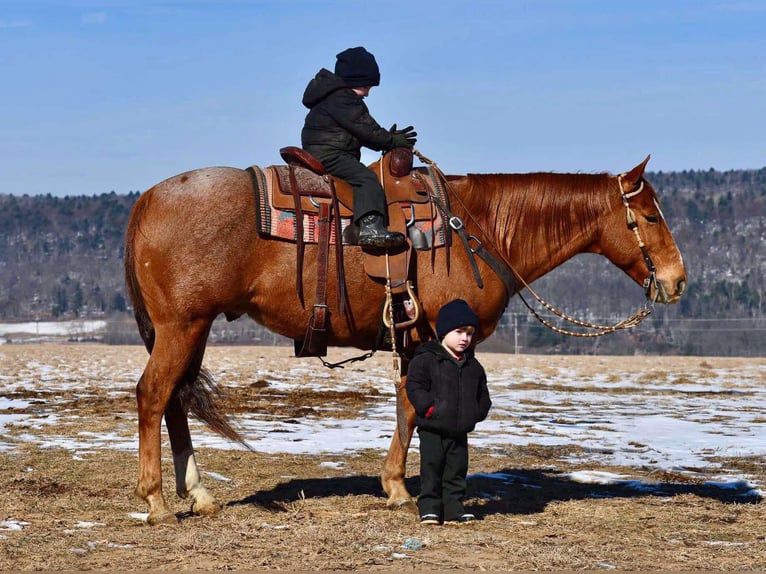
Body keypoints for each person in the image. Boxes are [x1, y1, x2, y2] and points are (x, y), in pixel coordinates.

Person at [301, 46, 417, 249]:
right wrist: (392, 141)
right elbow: (367, 130)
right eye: (368, 86)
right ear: (357, 79)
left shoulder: (332, 96)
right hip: (330, 153)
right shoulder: (344, 99)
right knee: (366, 179)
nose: (369, 93)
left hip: (322, 149)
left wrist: (386, 138)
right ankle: (370, 228)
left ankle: (356, 223)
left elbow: (363, 132)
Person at [405, 299, 492, 525]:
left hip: (459, 430)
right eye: (459, 331)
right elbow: (414, 386)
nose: (465, 338)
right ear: (444, 332)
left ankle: (454, 509)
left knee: (456, 472)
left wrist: (476, 413)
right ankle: (430, 508)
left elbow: (483, 394)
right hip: (432, 428)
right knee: (432, 469)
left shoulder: (473, 366)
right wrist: (430, 408)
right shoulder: (425, 359)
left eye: (470, 333)